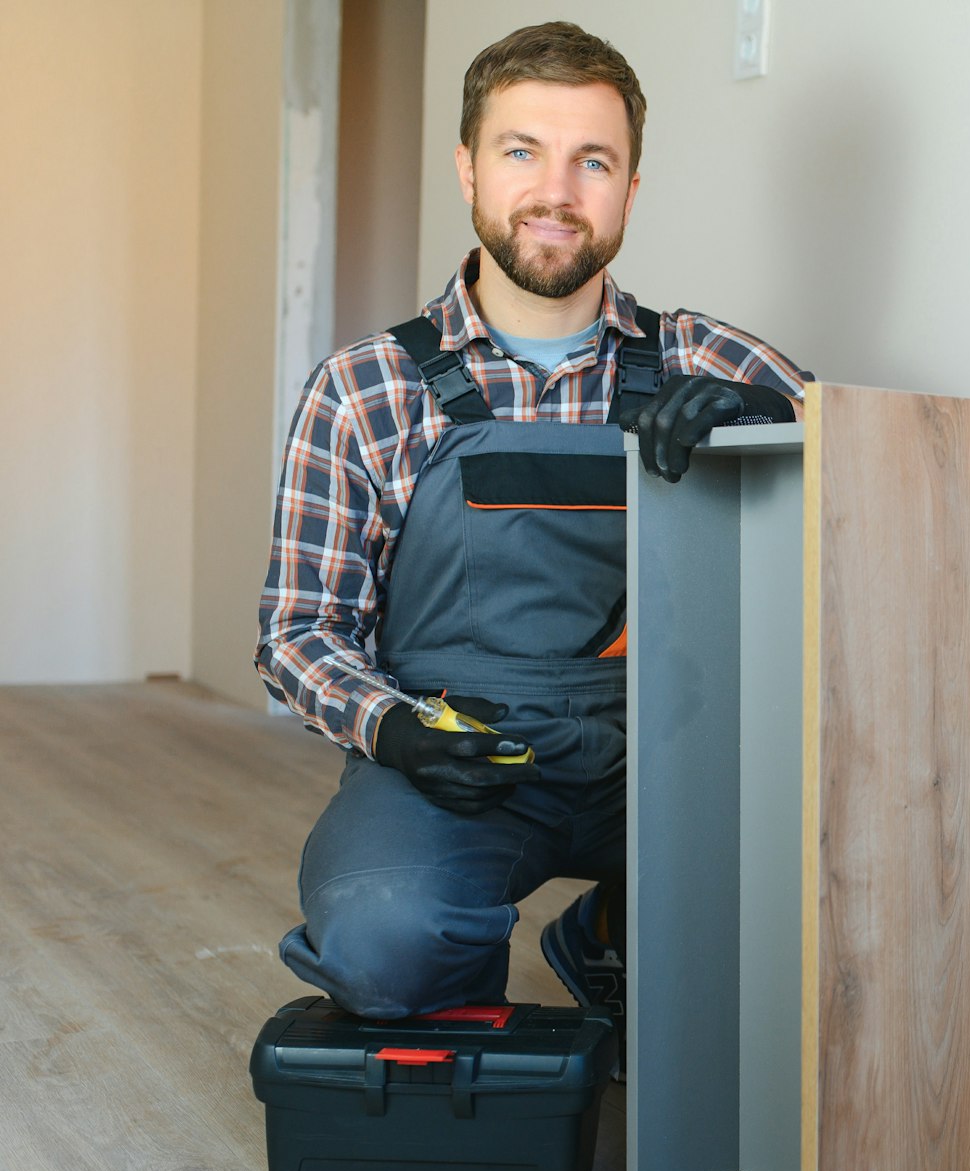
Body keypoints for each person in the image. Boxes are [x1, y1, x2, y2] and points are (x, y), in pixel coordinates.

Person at [254, 22, 808, 1069]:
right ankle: (477, 1008)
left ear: (630, 187)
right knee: (386, 949)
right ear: (466, 166)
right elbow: (296, 631)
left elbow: (883, 477)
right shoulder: (368, 388)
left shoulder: (698, 355)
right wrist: (396, 729)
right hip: (456, 755)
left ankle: (608, 932)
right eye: (521, 152)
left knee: (814, 920)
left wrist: (773, 414)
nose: (556, 190)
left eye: (591, 161)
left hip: (669, 754)